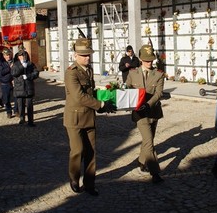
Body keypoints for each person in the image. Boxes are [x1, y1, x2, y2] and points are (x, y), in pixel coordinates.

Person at [64, 37, 116, 196]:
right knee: (77, 150)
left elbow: (90, 93)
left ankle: (89, 183)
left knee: (91, 152)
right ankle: (74, 177)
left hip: (89, 117)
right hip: (75, 119)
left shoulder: (89, 70)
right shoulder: (71, 73)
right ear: (75, 55)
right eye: (84, 55)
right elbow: (79, 96)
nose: (87, 57)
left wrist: (104, 100)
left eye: (89, 55)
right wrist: (99, 105)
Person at [125, 43, 165, 184]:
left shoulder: (158, 74)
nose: (149, 62)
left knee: (149, 141)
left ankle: (141, 161)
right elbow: (127, 89)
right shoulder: (132, 73)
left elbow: (159, 93)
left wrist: (148, 104)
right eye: (147, 60)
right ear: (141, 59)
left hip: (153, 112)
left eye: (151, 60)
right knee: (149, 141)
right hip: (139, 113)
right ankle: (155, 173)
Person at [11, 50, 39, 126]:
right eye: (20, 56)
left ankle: (30, 121)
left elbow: (36, 73)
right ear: (18, 57)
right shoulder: (16, 64)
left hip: (28, 88)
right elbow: (13, 73)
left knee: (30, 106)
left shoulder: (30, 64)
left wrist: (28, 76)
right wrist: (22, 67)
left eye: (24, 56)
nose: (22, 57)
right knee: (21, 105)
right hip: (19, 88)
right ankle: (22, 119)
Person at [0, 48, 18, 119]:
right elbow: (1, 73)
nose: (8, 56)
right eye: (7, 55)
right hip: (5, 83)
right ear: (4, 55)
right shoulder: (1, 63)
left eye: (9, 55)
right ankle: (9, 112)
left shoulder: (15, 61)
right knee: (6, 99)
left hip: (14, 81)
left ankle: (16, 110)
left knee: (16, 97)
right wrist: (9, 67)